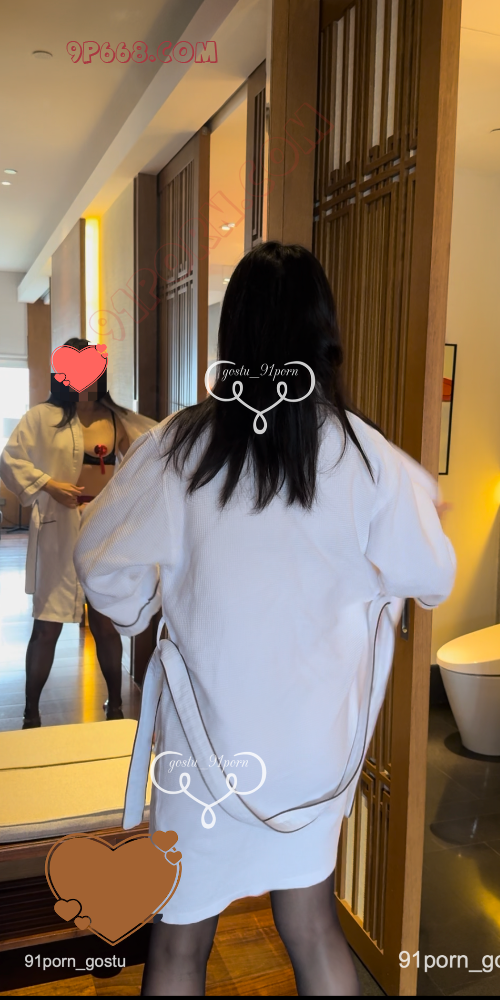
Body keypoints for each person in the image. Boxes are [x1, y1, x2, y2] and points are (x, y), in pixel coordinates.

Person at [74, 243, 456, 997]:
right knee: (311, 925)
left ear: (233, 336)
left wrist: (141, 607)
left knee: (179, 942)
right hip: (311, 753)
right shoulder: (367, 457)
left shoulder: (179, 447)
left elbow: (100, 560)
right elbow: (432, 577)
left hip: (205, 752)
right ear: (323, 336)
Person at [0, 338, 156, 728]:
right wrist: (49, 485)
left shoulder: (117, 419)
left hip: (103, 529)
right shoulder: (42, 417)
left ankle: (116, 707)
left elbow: (149, 454)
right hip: (59, 528)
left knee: (104, 622)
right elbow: (11, 458)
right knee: (47, 625)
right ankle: (31, 714)